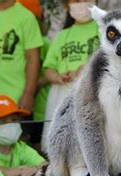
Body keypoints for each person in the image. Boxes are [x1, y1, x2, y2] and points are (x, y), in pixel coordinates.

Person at [41, 0, 99, 150]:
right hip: (62, 93)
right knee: (62, 143)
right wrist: (58, 77)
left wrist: (87, 69)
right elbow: (48, 68)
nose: (82, 4)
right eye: (76, 1)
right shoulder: (62, 35)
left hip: (95, 91)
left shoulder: (104, 29)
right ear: (67, 6)